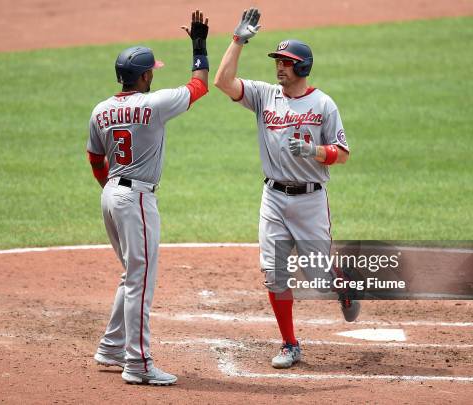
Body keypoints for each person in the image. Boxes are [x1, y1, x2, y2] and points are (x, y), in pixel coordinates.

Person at [214, 8, 360, 369]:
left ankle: (342, 283)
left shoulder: (323, 104)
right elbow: (223, 82)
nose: (280, 67)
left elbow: (342, 154)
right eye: (278, 60)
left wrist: (314, 151)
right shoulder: (265, 96)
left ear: (303, 68)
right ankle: (290, 344)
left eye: (287, 62)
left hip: (310, 200)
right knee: (274, 273)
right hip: (274, 198)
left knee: (318, 274)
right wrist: (237, 41)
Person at [86, 10, 209, 385]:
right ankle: (137, 364)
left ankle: (110, 347)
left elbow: (95, 160)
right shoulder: (153, 105)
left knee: (130, 275)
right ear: (145, 76)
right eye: (151, 70)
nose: (153, 75)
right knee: (141, 281)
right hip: (135, 199)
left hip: (111, 194)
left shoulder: (101, 110)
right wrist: (199, 44)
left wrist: (114, 191)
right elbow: (198, 86)